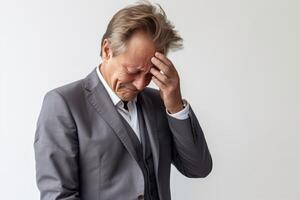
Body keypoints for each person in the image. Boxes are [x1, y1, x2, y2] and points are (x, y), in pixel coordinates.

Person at [34, 1, 213, 200]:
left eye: (149, 75)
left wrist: (175, 105)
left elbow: (198, 168)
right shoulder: (63, 104)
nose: (140, 84)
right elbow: (58, 196)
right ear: (107, 50)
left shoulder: (160, 103)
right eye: (133, 71)